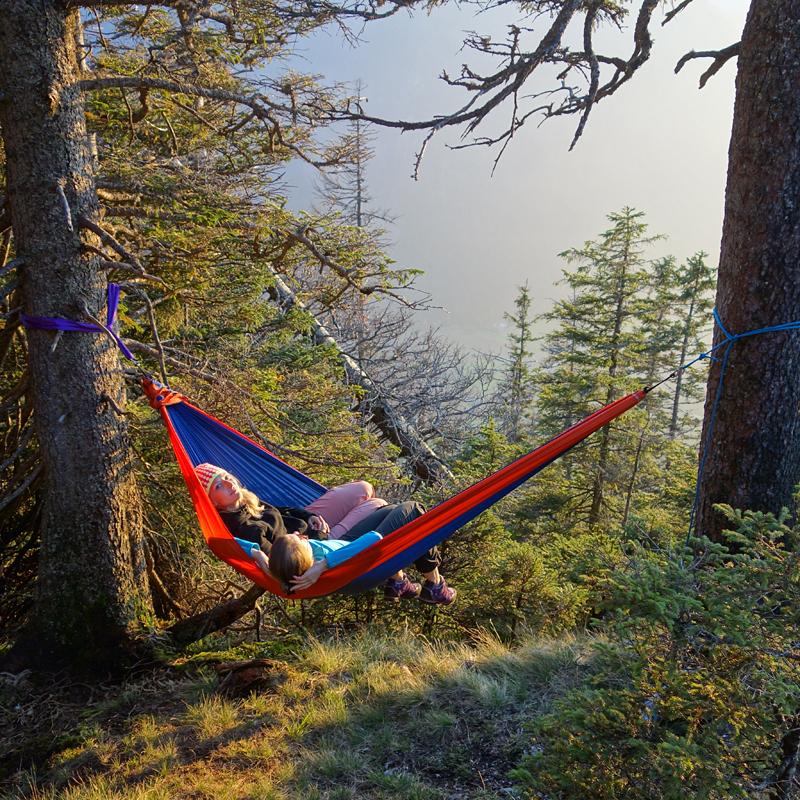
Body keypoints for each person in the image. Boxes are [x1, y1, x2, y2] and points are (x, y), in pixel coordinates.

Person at [194, 463, 456, 604]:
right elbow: (277, 565)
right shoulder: (247, 529)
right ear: (212, 503)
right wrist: (320, 564)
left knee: (382, 503)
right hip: (330, 550)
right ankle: (433, 583)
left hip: (317, 538)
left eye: (227, 476)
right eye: (218, 485)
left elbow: (280, 512)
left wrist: (309, 517)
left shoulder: (248, 502)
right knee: (412, 511)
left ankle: (401, 580)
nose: (228, 483)